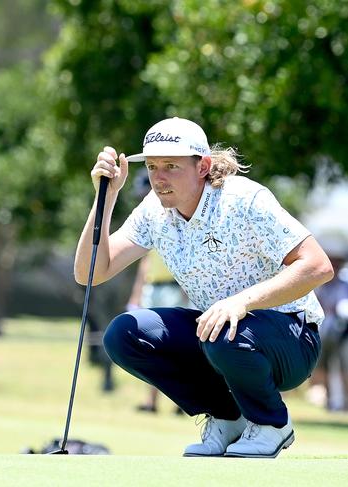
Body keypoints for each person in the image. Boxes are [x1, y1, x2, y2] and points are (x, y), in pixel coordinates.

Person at [74, 117, 333, 458]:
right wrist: (106, 198)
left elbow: (318, 265)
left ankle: (272, 424)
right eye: (152, 167)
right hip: (221, 335)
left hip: (292, 338)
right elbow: (91, 273)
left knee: (224, 329)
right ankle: (228, 417)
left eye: (171, 166)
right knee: (123, 334)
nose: (159, 178)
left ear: (203, 166)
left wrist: (240, 302)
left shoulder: (244, 199)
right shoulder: (154, 210)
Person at [127, 250, 188, 413]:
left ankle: (181, 402)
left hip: (174, 289)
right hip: (151, 288)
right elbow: (145, 262)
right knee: (151, 348)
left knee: (175, 348)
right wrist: (136, 295)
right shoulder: (153, 228)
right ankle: (151, 402)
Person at [308, 242, 348, 410]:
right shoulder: (318, 286)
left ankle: (345, 403)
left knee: (344, 366)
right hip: (323, 331)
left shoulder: (344, 285)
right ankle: (328, 401)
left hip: (343, 332)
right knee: (321, 366)